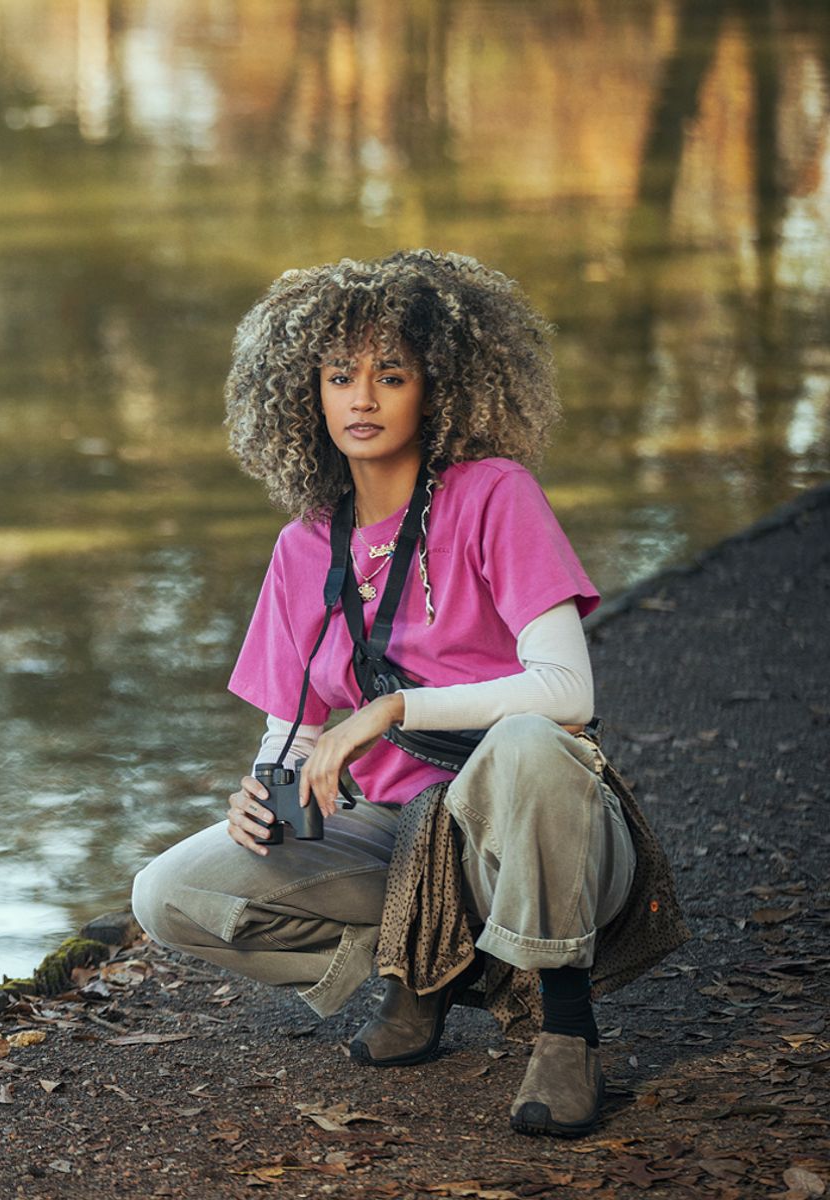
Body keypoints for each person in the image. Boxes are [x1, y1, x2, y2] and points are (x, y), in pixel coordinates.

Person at [131, 249, 685, 1138]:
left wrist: (391, 711)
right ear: (304, 392)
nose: (362, 399)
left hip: (539, 832)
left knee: (530, 742)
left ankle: (567, 1031)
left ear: (439, 388)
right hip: (402, 847)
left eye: (390, 376)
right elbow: (292, 733)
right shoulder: (302, 547)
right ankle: (416, 972)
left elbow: (567, 691)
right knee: (170, 893)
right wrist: (259, 794)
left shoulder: (495, 494)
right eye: (339, 376)